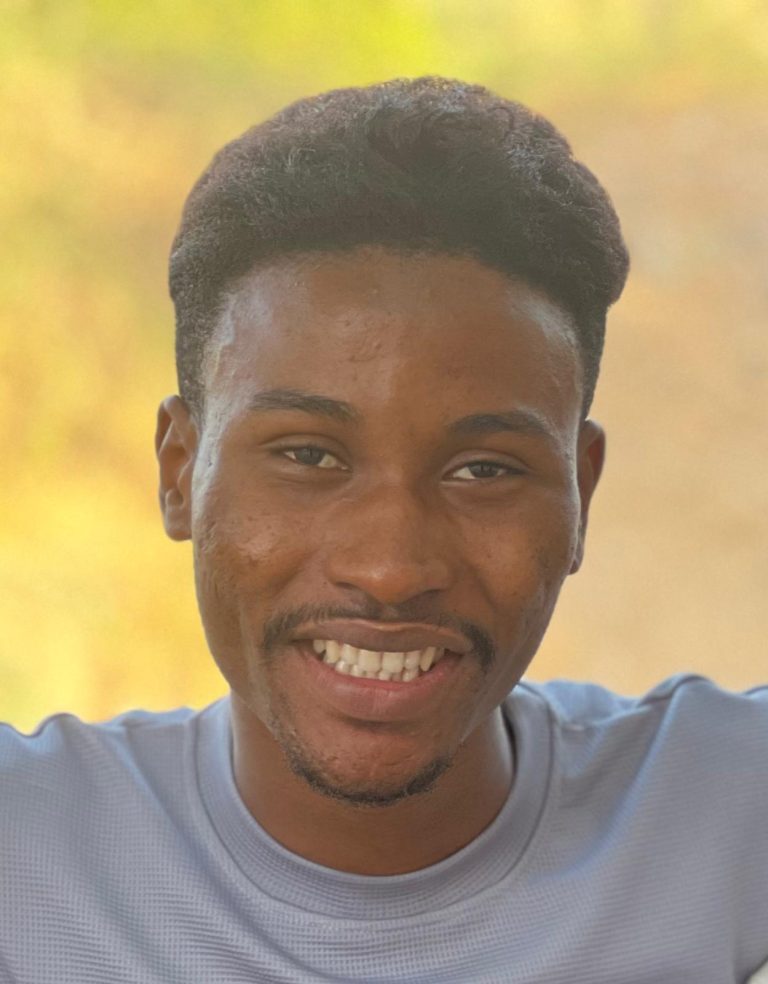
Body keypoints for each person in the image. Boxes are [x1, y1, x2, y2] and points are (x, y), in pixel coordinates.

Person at [1, 77, 766, 984]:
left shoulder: (730, 823)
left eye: (484, 470)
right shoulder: (29, 858)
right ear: (180, 472)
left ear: (579, 495)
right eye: (309, 456)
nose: (392, 567)